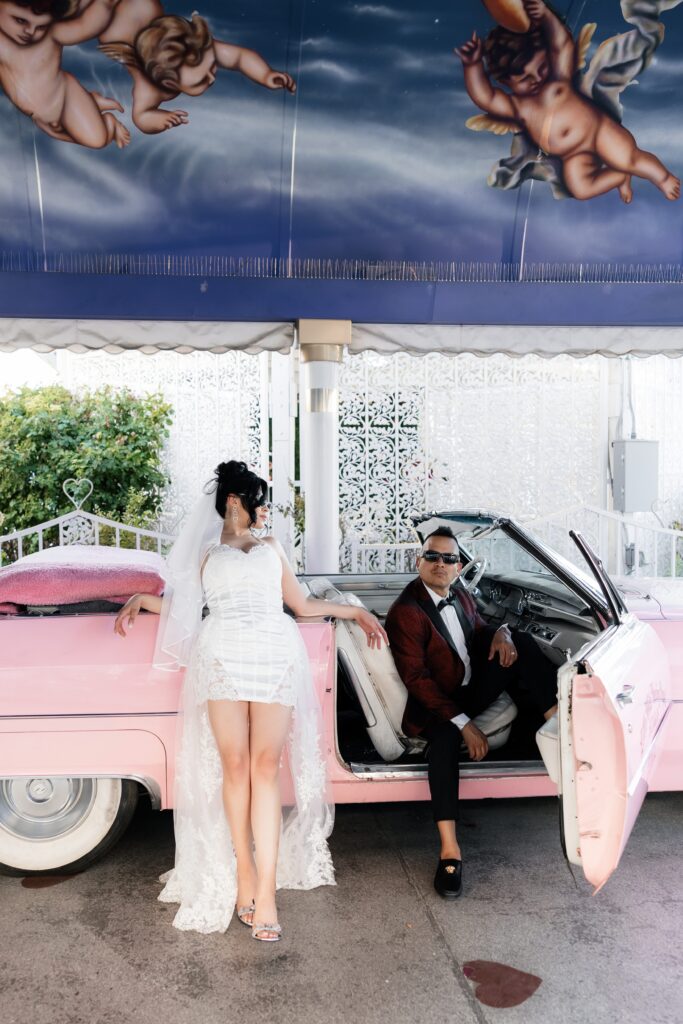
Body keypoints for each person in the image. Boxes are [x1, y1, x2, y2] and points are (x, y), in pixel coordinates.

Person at [114, 460, 387, 941]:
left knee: (266, 767)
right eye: (260, 501)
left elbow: (300, 605)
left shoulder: (272, 547)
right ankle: (244, 874)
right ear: (236, 501)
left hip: (273, 655)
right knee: (234, 766)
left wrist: (354, 612)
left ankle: (267, 891)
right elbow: (185, 607)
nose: (266, 511)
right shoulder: (205, 552)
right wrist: (144, 597)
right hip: (221, 656)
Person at [385, 526, 558, 900]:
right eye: (432, 556)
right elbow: (417, 681)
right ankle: (450, 849)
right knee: (445, 742)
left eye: (449, 558)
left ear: (459, 566)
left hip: (466, 686)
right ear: (419, 561)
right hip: (433, 704)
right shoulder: (407, 612)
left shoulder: (459, 593)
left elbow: (478, 630)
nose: (440, 564)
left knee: (523, 644)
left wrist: (502, 634)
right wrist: (465, 725)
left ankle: (558, 726)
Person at [456, 0, 680, 202]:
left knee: (630, 157)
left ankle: (661, 177)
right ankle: (620, 175)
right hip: (572, 155)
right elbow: (486, 97)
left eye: (541, 68)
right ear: (506, 81)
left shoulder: (558, 81)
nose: (536, 79)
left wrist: (546, 16)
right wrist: (472, 66)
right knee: (581, 189)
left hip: (599, 132)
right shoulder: (518, 107)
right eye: (524, 79)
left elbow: (561, 45)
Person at [99, 4, 295, 135]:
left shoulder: (198, 49)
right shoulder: (150, 89)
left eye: (212, 67)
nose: (212, 79)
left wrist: (265, 74)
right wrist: (159, 118)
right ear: (170, 83)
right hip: (111, 20)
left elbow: (240, 57)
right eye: (200, 80)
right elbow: (141, 117)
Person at [0, 0, 130, 148]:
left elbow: (86, 25)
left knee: (97, 141)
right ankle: (91, 103)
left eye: (41, 26)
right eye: (20, 20)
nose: (30, 32)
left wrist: (106, 4)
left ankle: (108, 123)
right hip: (39, 116)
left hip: (65, 97)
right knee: (60, 132)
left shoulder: (51, 35)